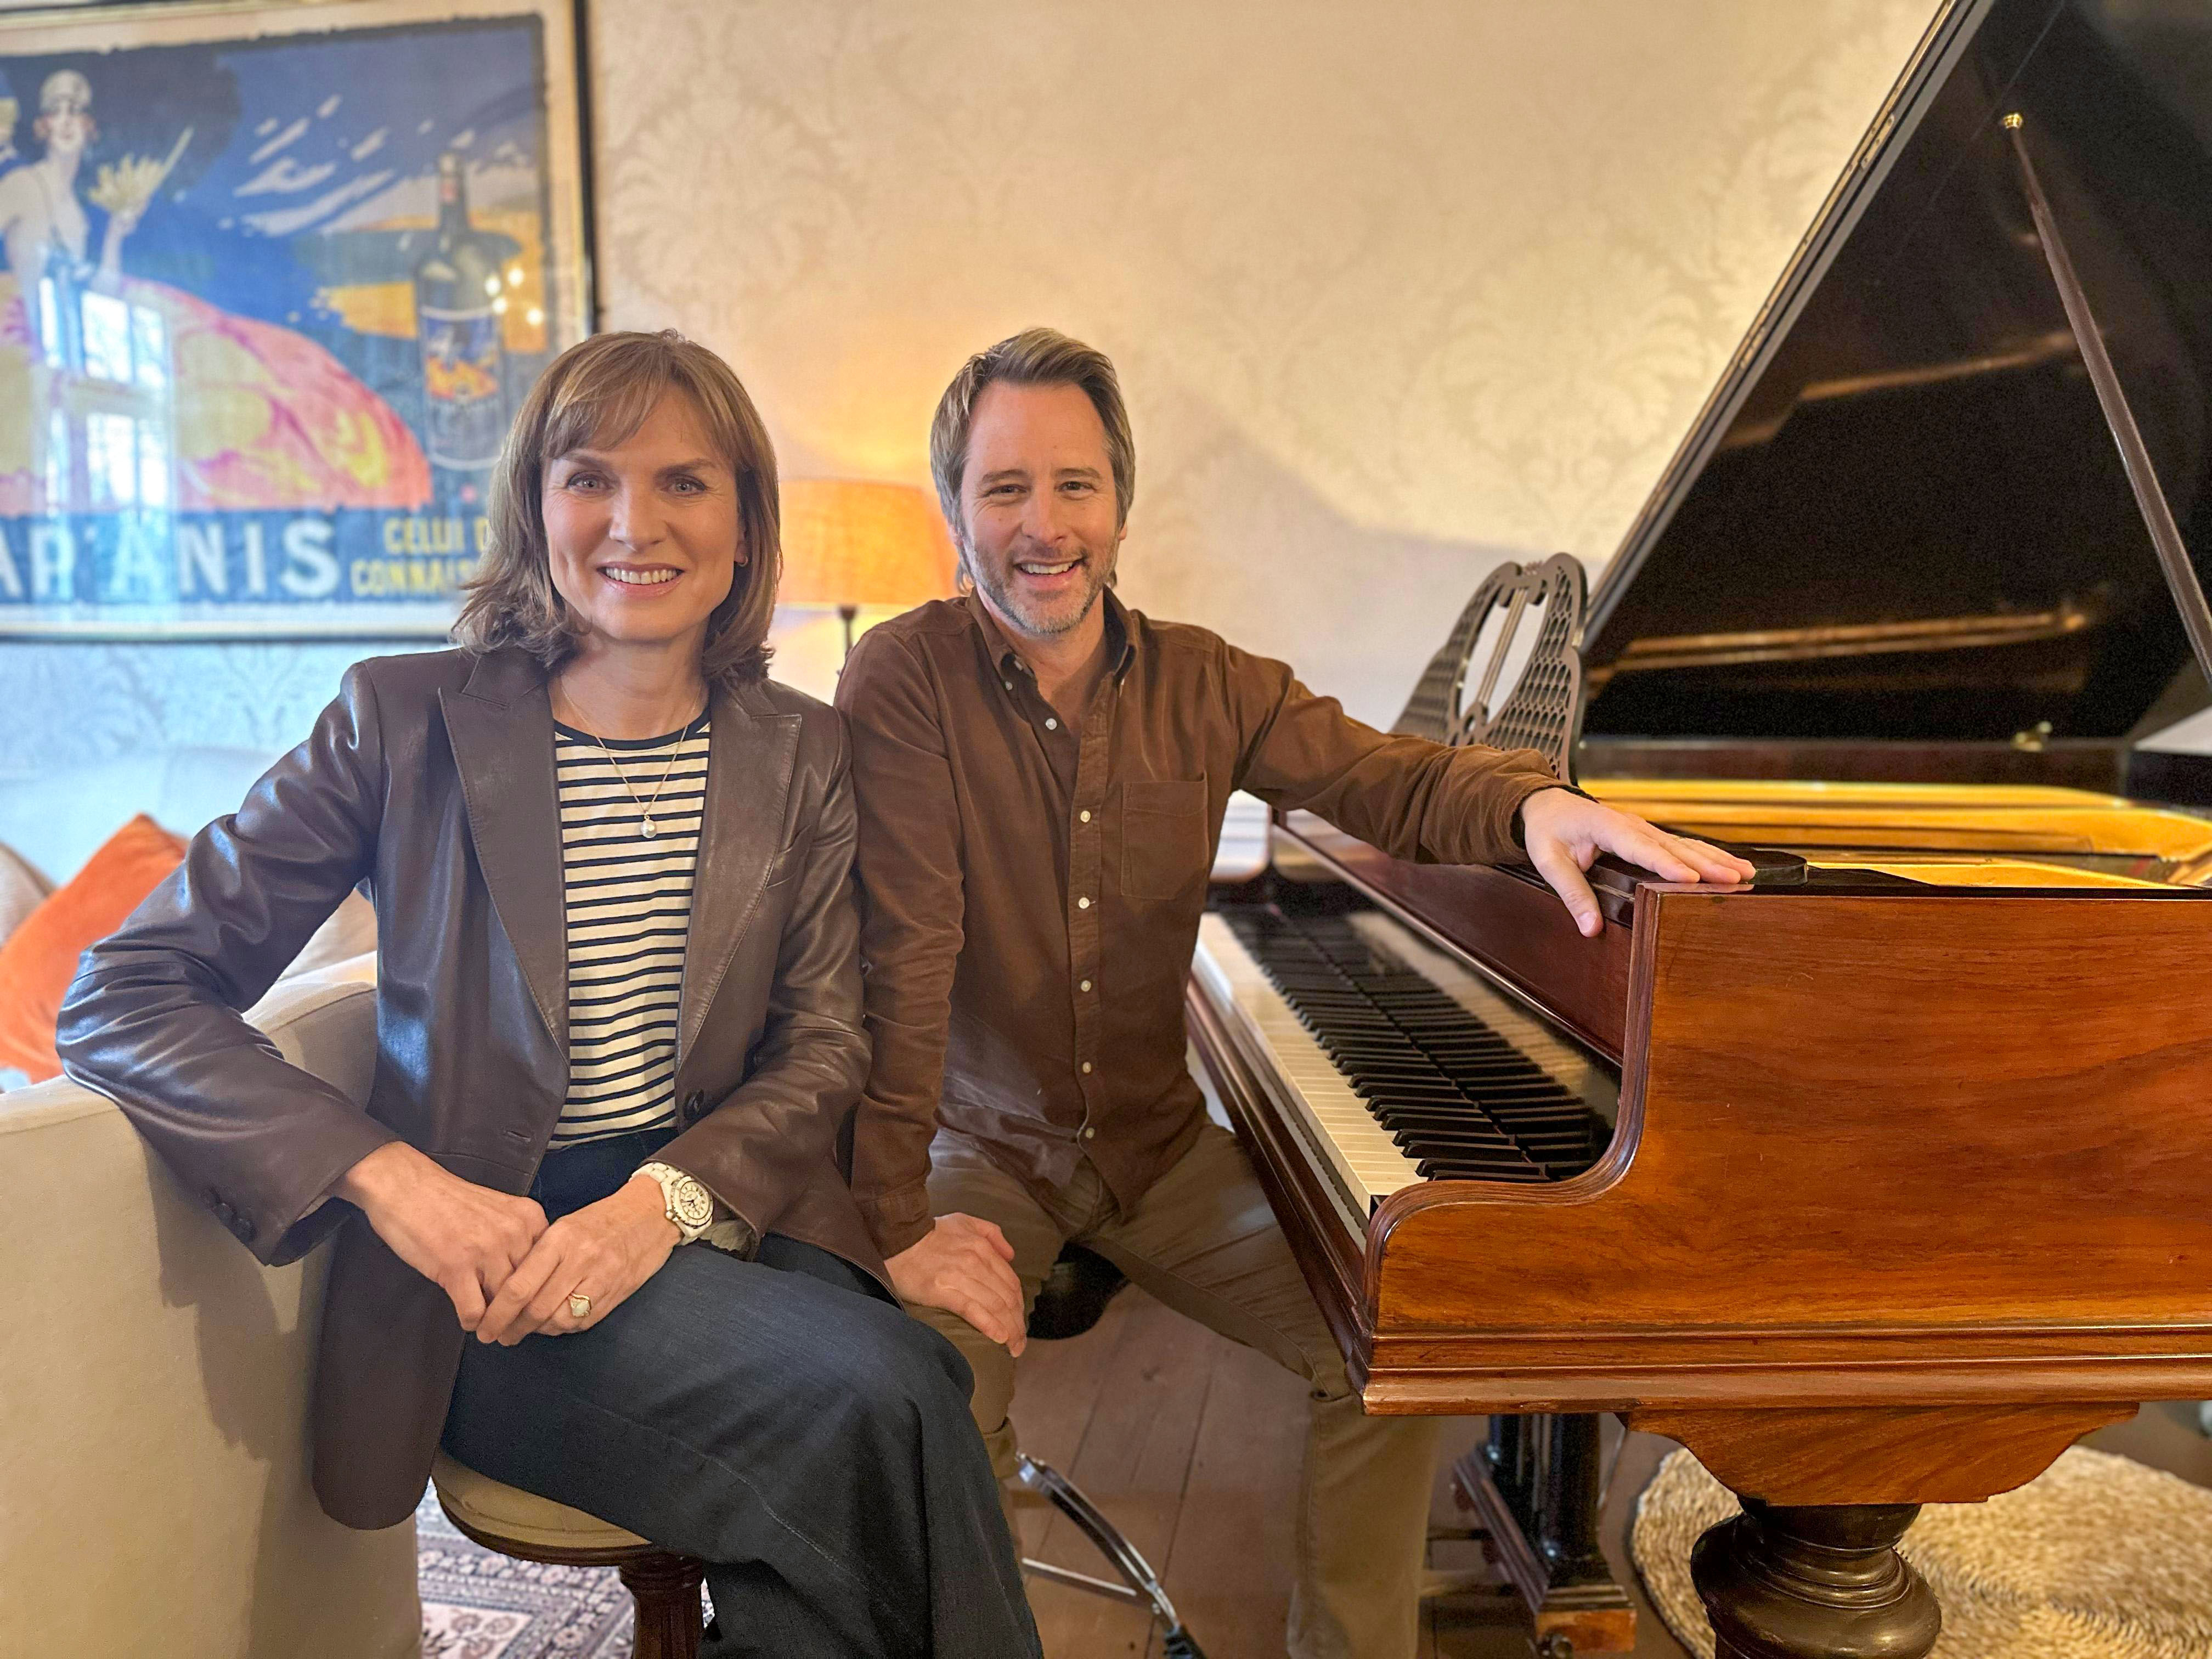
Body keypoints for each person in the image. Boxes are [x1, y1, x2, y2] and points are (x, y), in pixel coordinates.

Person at [59, 329, 1041, 1659]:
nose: (637, 523)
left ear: (747, 525)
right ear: (536, 507)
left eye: (687, 484)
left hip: (717, 1217)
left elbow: (823, 1046)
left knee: (873, 1431)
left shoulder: (801, 746)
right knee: (883, 1398)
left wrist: (662, 1204)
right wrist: (388, 1177)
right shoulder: (396, 723)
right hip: (488, 1284)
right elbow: (126, 990)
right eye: (592, 478)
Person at [835, 327, 1755, 1659]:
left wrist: (1542, 801)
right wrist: (893, 1216)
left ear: (1123, 504)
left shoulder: (1211, 681)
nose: (1046, 525)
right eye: (1006, 488)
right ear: (954, 509)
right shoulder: (902, 678)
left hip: (1153, 1150)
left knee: (1389, 1344)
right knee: (934, 1380)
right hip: (979, 1147)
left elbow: (1399, 778)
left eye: (1076, 485)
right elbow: (905, 958)